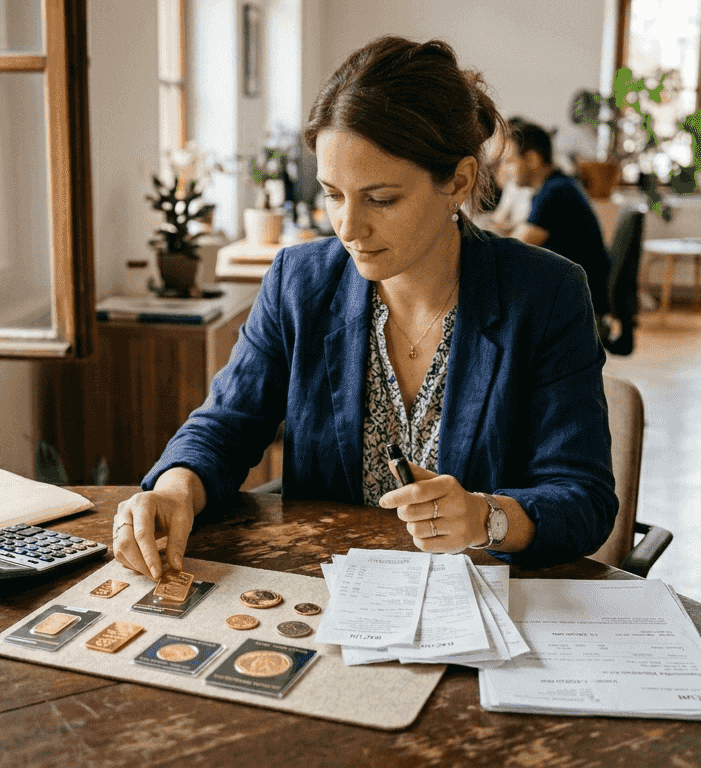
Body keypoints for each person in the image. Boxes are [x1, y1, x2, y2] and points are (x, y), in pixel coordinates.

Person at [111, 36, 617, 580]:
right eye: (333, 194)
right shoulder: (299, 282)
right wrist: (173, 489)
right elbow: (226, 424)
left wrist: (486, 517)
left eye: (381, 199)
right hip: (327, 596)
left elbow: (582, 497)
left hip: (483, 604)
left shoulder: (546, 293)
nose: (349, 228)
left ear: (459, 181)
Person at [500, 120, 612, 321]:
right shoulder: (557, 186)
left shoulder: (554, 192)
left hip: (577, 301)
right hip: (574, 292)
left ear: (532, 159)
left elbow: (514, 248)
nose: (505, 170)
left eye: (509, 161)